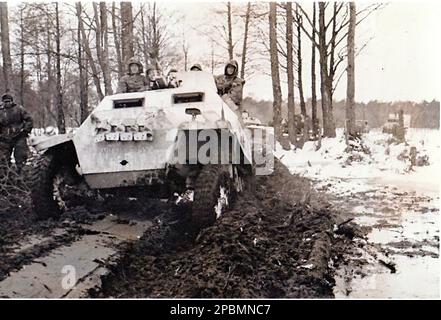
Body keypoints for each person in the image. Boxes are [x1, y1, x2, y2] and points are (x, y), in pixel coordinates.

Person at [0, 93, 33, 172]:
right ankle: (7, 177)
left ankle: (21, 176)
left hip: (19, 137)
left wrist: (25, 130)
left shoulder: (19, 109)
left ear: (12, 101)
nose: (7, 103)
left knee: (20, 158)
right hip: (4, 138)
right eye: (5, 102)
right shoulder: (0, 111)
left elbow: (29, 120)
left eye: (8, 101)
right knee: (3, 161)